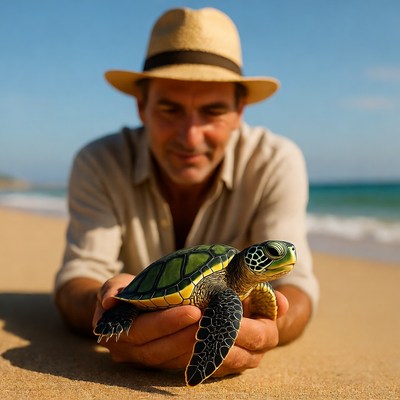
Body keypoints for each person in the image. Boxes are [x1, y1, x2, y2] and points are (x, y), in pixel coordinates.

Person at [55, 7, 319, 379]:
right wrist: (106, 308)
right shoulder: (100, 162)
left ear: (240, 111)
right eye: (170, 109)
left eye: (212, 111)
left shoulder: (275, 162)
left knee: (233, 305)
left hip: (221, 299)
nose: (190, 137)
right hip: (139, 302)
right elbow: (77, 279)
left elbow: (297, 288)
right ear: (142, 107)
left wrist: (264, 333)